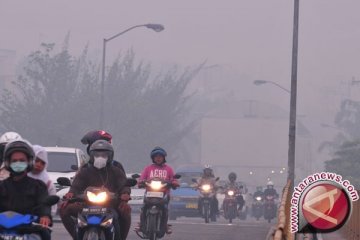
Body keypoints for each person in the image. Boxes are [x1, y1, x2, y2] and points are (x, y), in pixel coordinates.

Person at [60, 140, 131, 240]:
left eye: (104, 154)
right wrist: (70, 194)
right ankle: (76, 236)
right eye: (97, 154)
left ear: (110, 156)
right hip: (85, 205)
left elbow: (124, 185)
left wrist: (125, 193)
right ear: (91, 155)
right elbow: (76, 186)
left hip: (111, 205)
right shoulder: (85, 171)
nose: (100, 157)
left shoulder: (116, 170)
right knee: (64, 209)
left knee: (126, 210)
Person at [0, 140, 52, 240]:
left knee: (45, 234)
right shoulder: (1, 186)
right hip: (2, 230)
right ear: (8, 163)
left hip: (29, 230)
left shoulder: (38, 186)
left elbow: (44, 203)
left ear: (29, 162)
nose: (18, 163)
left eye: (22, 160)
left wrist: (45, 215)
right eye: (14, 161)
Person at [136, 147, 178, 234]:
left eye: (160, 156)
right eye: (156, 157)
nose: (158, 158)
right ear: (153, 158)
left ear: (164, 158)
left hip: (164, 193)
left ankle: (165, 225)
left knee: (165, 209)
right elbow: (142, 178)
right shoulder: (148, 169)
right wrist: (140, 182)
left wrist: (174, 182)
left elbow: (174, 179)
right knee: (144, 207)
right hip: (149, 193)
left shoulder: (169, 169)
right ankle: (141, 224)